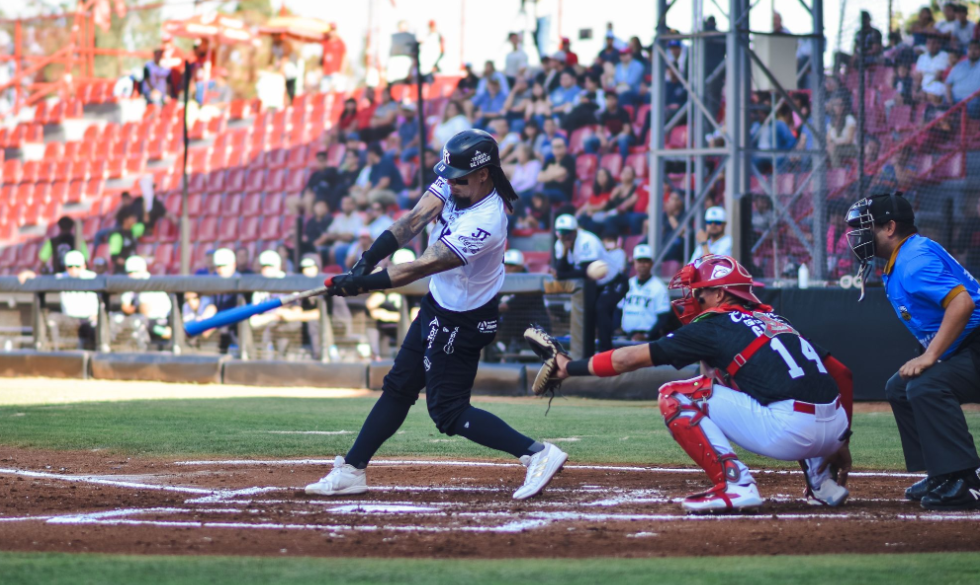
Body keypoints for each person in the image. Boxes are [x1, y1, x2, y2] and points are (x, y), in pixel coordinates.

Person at [304, 129, 568, 500]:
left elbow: (421, 266)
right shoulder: (454, 182)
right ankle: (352, 469)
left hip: (465, 318)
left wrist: (363, 284)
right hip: (438, 306)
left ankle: (538, 454)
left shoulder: (487, 220)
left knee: (448, 412)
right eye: (448, 177)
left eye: (458, 179)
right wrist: (365, 261)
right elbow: (411, 222)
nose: (450, 184)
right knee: (398, 387)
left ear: (483, 174)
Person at [546, 254, 854, 513]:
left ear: (720, 294)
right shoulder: (776, 320)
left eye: (699, 293)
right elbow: (842, 374)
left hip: (789, 431)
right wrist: (842, 441)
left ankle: (735, 484)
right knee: (731, 378)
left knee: (675, 394)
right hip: (833, 430)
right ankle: (821, 481)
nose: (692, 298)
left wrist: (568, 367)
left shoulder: (714, 325)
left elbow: (629, 359)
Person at [846, 193, 980, 510]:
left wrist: (930, 356)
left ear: (890, 227)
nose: (857, 236)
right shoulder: (905, 257)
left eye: (866, 227)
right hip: (969, 344)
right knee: (901, 387)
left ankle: (965, 480)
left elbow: (963, 304)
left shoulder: (914, 261)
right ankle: (942, 473)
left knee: (926, 384)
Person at [495, 249, 551, 355]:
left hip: (534, 329)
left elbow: (506, 306)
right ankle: (497, 346)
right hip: (515, 330)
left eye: (511, 265)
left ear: (520, 267)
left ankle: (501, 345)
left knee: (511, 312)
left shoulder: (530, 283)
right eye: (505, 265)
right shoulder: (501, 282)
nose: (507, 268)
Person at [117, 256, 172, 349]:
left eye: (135, 272)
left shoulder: (148, 282)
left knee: (144, 324)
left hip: (160, 322)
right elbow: (125, 307)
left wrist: (134, 309)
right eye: (130, 272)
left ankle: (170, 335)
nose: (131, 275)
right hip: (146, 321)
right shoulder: (130, 284)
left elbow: (145, 311)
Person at [619, 244, 671, 341]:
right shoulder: (627, 284)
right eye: (639, 261)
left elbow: (663, 317)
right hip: (627, 335)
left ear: (651, 263)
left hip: (648, 338)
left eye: (646, 261)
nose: (642, 264)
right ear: (634, 263)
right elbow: (618, 310)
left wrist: (647, 335)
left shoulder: (659, 287)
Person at [49, 250, 99, 350]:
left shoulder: (93, 277)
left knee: (97, 331)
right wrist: (28, 274)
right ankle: (54, 353)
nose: (74, 269)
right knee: (52, 319)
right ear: (66, 267)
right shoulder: (61, 277)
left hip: (89, 319)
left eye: (77, 266)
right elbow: (40, 281)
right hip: (69, 320)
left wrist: (97, 315)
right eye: (70, 266)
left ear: (84, 266)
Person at [945, 40, 980, 118]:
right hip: (955, 100)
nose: (973, 51)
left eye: (976, 49)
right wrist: (949, 100)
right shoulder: (960, 65)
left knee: (975, 104)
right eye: (970, 49)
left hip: (972, 102)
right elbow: (948, 83)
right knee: (942, 102)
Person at [537, 137, 575, 203]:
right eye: (554, 147)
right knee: (533, 195)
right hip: (547, 191)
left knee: (542, 196)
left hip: (562, 193)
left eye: (559, 146)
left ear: (565, 147)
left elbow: (560, 173)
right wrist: (555, 173)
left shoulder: (569, 159)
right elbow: (539, 177)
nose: (557, 149)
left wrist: (549, 172)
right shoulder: (549, 160)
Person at [915, 35, 950, 104]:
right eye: (928, 43)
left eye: (933, 43)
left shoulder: (944, 55)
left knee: (931, 95)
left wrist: (924, 90)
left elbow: (938, 76)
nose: (931, 45)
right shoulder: (922, 57)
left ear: (939, 44)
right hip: (924, 86)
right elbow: (919, 76)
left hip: (937, 84)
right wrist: (917, 90)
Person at [108, 209, 145, 275]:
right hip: (122, 272)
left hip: (134, 270)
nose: (135, 219)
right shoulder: (117, 235)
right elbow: (115, 257)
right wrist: (130, 264)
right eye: (132, 217)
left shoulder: (132, 232)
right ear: (125, 220)